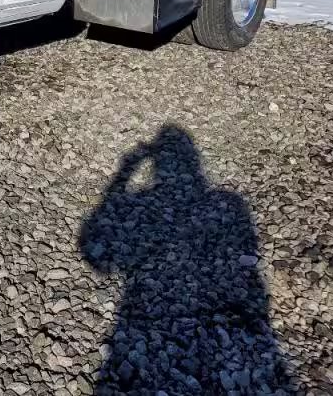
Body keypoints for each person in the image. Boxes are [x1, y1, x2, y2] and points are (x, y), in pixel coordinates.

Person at [79, 125, 296, 394]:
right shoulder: (228, 202)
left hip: (137, 316)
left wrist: (126, 169)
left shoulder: (221, 202)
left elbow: (95, 255)